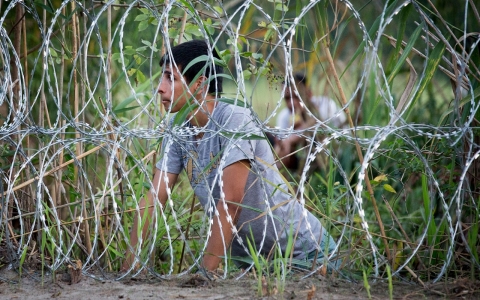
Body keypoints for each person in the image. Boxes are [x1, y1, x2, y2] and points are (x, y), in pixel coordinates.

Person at [122, 40, 338, 275]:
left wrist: (204, 277)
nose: (160, 88)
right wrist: (129, 267)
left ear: (199, 85)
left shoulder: (234, 119)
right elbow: (154, 198)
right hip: (256, 266)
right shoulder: (178, 127)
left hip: (306, 255)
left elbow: (230, 203)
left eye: (170, 78)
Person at [274, 73, 347, 171]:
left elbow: (319, 124)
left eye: (297, 96)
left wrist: (293, 137)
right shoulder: (284, 117)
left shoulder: (325, 105)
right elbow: (283, 152)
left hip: (338, 161)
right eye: (287, 98)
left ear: (309, 93)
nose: (292, 103)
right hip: (304, 164)